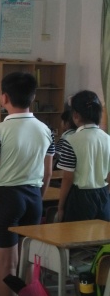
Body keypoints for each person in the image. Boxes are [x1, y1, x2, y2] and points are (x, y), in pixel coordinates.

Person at [0, 72, 54, 296]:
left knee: (6, 265)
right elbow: (48, 173)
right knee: (26, 263)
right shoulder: (45, 130)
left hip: (5, 200)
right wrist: (38, 198)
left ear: (4, 98)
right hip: (33, 197)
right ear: (33, 97)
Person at [57, 89, 110, 222]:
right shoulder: (107, 139)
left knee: (75, 234)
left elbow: (68, 178)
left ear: (75, 115)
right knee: (100, 234)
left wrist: (61, 207)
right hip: (103, 195)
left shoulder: (71, 140)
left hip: (80, 198)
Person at [54, 104, 77, 170]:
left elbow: (56, 154)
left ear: (67, 124)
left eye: (62, 121)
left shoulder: (65, 136)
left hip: (64, 166)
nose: (61, 123)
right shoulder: (76, 133)